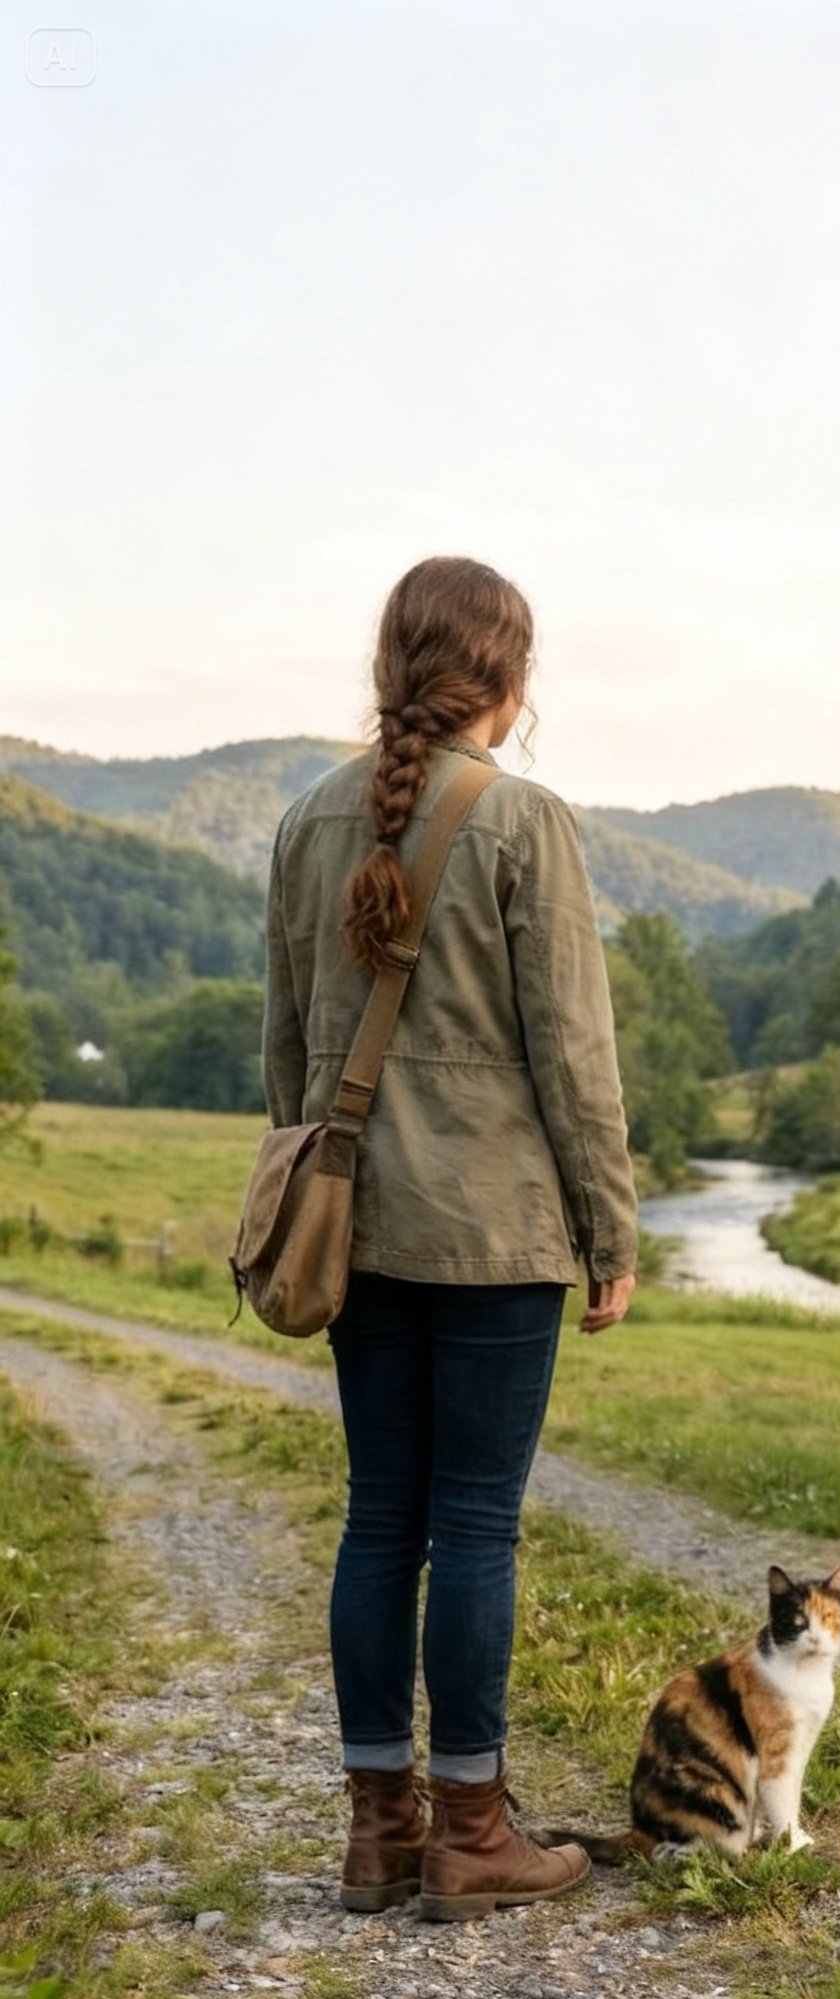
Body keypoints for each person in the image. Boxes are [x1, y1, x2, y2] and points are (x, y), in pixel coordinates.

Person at [263, 556, 638, 1922]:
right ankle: (473, 1833)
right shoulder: (524, 822)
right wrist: (611, 1228)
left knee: (381, 1514)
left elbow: (289, 1056)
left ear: (393, 668)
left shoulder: (309, 822)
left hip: (354, 1231)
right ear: (511, 680)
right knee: (474, 1522)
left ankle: (378, 1830)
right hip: (495, 1236)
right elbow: (574, 1056)